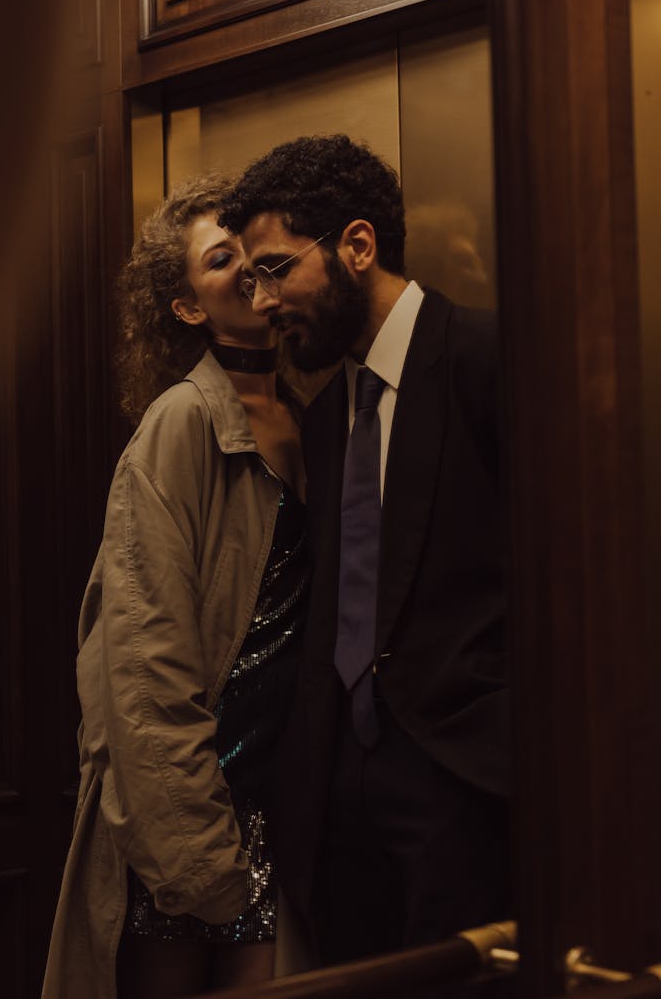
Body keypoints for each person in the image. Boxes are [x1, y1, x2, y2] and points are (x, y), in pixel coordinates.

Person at [220, 134, 510, 969]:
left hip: (463, 780)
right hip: (336, 796)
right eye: (249, 280)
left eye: (275, 269)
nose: (263, 300)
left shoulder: (484, 361)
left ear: (356, 245)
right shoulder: (323, 416)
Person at [42, 177, 308, 999]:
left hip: (274, 808)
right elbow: (144, 655)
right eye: (220, 259)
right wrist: (196, 853)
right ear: (188, 307)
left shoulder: (312, 413)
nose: (247, 267)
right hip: (191, 812)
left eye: (253, 248)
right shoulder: (183, 421)